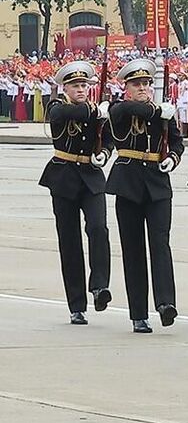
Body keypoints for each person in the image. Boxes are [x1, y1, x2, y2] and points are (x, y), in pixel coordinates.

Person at [104, 58, 184, 335]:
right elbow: (125, 111)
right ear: (126, 88)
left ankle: (165, 303)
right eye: (136, 84)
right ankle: (138, 313)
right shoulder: (120, 108)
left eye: (146, 83)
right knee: (133, 249)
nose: (142, 88)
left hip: (157, 183)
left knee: (160, 244)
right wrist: (157, 110)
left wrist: (172, 158)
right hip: (128, 183)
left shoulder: (162, 112)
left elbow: (177, 142)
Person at [41, 60, 112, 324]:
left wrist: (104, 153)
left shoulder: (95, 111)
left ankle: (100, 286)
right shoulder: (58, 107)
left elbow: (108, 138)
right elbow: (68, 115)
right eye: (75, 86)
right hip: (64, 178)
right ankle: (76, 305)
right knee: (69, 241)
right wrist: (97, 111)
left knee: (98, 228)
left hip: (91, 177)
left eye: (83, 85)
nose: (81, 89)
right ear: (65, 88)